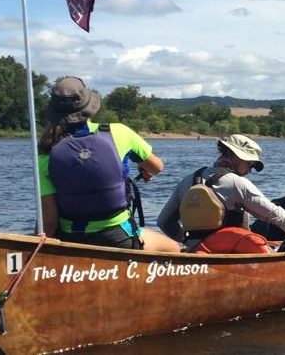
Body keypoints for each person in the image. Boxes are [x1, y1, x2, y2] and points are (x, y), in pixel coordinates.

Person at [37, 76, 179, 252]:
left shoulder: (46, 150)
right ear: (89, 108)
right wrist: (143, 167)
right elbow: (157, 167)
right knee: (173, 249)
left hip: (71, 239)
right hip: (118, 237)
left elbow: (49, 221)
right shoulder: (118, 132)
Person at [157, 134, 285, 249]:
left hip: (196, 251)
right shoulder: (237, 183)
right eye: (249, 164)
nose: (249, 170)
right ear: (234, 156)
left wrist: (188, 243)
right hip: (232, 251)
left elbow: (164, 222)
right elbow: (273, 213)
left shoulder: (187, 180)